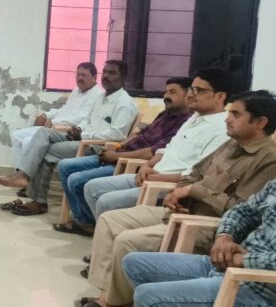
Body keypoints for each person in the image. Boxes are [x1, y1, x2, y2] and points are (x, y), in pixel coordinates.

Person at [81, 90, 276, 307]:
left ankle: (111, 302)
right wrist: (178, 193)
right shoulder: (232, 143)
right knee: (110, 220)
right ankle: (106, 293)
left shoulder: (269, 160)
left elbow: (237, 205)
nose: (227, 119)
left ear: (260, 122)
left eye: (236, 114)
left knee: (127, 241)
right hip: (184, 210)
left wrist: (194, 191)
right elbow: (196, 174)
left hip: (204, 224)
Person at [123, 149, 276, 306]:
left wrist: (242, 260)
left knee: (148, 296)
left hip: (259, 288)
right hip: (226, 264)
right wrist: (224, 236)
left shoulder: (268, 159)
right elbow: (243, 211)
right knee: (134, 263)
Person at [83, 69, 232, 222]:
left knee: (106, 201)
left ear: (220, 96)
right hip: (152, 174)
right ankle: (105, 230)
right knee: (91, 187)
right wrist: (148, 165)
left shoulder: (221, 129)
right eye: (191, 89)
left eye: (199, 90)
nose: (191, 95)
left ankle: (109, 231)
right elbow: (166, 149)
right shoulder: (195, 118)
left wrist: (156, 177)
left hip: (169, 187)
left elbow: (197, 176)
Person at [54, 77, 192, 236]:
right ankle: (86, 221)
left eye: (172, 92)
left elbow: (153, 152)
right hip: (119, 155)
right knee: (65, 166)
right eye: (166, 91)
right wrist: (118, 146)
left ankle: (90, 223)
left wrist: (117, 156)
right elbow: (139, 135)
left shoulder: (184, 123)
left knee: (76, 180)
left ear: (187, 95)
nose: (166, 96)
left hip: (129, 163)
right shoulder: (164, 114)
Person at [4, 60, 138, 216]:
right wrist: (78, 129)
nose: (106, 76)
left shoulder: (124, 104)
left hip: (97, 147)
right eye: (105, 72)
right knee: (42, 133)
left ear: (123, 77)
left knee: (46, 150)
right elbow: (87, 120)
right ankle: (23, 175)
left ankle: (38, 202)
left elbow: (117, 135)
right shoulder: (101, 98)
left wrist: (83, 135)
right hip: (82, 137)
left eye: (112, 73)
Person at [0, 62, 102, 191]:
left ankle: (28, 181)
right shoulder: (77, 91)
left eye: (84, 75)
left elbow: (80, 119)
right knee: (16, 135)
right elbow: (64, 110)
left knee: (28, 142)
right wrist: (46, 115)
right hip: (55, 127)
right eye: (78, 75)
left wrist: (54, 122)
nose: (80, 78)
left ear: (94, 77)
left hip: (67, 131)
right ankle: (20, 176)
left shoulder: (97, 95)